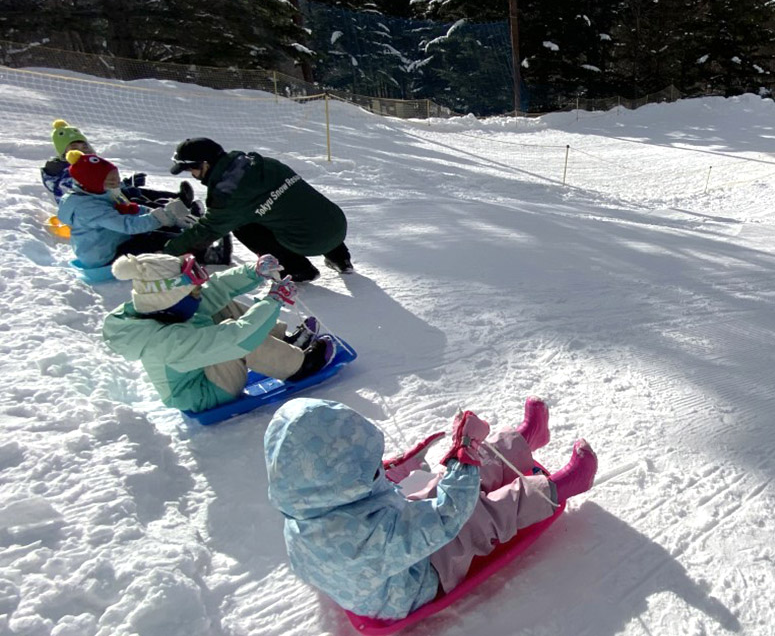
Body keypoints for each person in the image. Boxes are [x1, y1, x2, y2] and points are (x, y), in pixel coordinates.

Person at [264, 396, 598, 621]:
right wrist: (463, 454)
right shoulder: (369, 536)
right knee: (476, 515)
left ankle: (524, 440)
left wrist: (391, 470)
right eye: (365, 468)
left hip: (384, 559)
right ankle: (560, 487)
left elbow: (361, 494)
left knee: (444, 483)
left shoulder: (304, 507)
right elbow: (448, 516)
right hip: (412, 582)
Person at [101, 253, 336, 413]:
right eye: (193, 291)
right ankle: (298, 365)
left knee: (218, 306)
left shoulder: (160, 308)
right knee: (235, 339)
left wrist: (253, 272)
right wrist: (273, 301)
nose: (199, 293)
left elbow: (215, 289)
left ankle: (283, 341)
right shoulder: (165, 342)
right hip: (204, 391)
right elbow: (236, 338)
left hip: (199, 366)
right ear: (171, 299)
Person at [164, 138, 354, 282]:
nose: (193, 175)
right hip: (337, 224)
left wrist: (167, 252)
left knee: (242, 226)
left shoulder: (228, 194)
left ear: (205, 164)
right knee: (298, 210)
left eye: (191, 170)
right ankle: (341, 259)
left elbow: (206, 230)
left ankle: (297, 269)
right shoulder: (261, 163)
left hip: (311, 241)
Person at [56, 151, 199, 269]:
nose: (117, 182)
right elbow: (129, 225)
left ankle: (192, 237)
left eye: (116, 177)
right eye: (111, 180)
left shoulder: (97, 192)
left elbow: (130, 209)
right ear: (93, 182)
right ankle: (206, 253)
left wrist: (165, 215)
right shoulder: (89, 208)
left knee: (157, 230)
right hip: (106, 256)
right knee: (160, 241)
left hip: (114, 240)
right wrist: (164, 216)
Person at [42, 120, 193, 208]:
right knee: (133, 200)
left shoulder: (86, 164)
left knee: (131, 190)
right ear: (64, 153)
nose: (83, 151)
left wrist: (125, 183)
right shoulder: (68, 175)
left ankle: (179, 199)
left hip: (104, 197)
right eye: (75, 148)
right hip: (94, 208)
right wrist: (117, 190)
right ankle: (172, 211)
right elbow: (83, 194)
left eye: (85, 146)